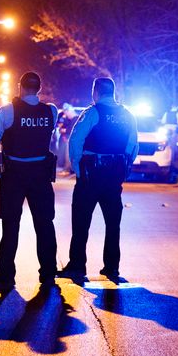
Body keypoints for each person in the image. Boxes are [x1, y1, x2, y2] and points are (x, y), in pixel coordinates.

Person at [0, 71, 58, 290]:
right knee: (44, 224)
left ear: (20, 87)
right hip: (40, 175)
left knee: (10, 225)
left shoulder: (7, 111)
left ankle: (5, 275)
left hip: (14, 174)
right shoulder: (51, 111)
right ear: (39, 89)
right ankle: (49, 273)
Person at [58, 77, 138, 285]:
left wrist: (77, 167)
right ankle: (112, 266)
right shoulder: (128, 115)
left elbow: (76, 140)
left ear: (96, 91)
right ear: (113, 91)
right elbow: (132, 145)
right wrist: (125, 167)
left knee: (81, 221)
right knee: (113, 222)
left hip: (91, 173)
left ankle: (77, 265)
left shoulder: (92, 113)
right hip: (114, 174)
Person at [56, 103, 78, 174]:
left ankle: (68, 169)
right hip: (70, 140)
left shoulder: (76, 118)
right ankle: (69, 169)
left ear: (69, 111)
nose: (66, 115)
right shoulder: (71, 119)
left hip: (72, 140)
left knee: (69, 154)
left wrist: (64, 130)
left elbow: (72, 129)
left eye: (66, 112)